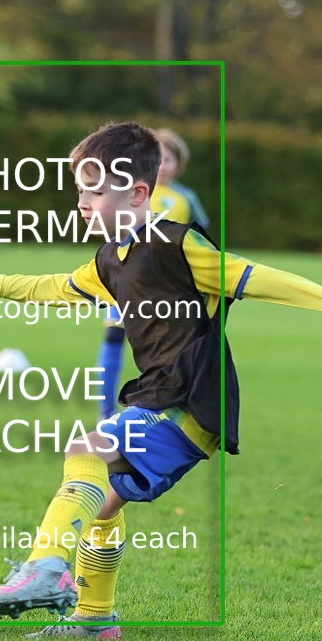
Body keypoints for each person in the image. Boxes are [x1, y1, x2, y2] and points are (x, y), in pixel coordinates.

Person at [0, 122, 322, 640]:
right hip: (159, 393)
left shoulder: (177, 246)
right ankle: (94, 620)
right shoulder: (111, 259)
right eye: (80, 190)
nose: (83, 202)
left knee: (86, 449)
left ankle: (45, 566)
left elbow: (259, 277)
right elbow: (55, 287)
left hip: (189, 398)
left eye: (95, 190)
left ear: (137, 193)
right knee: (104, 499)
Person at [94, 127, 209, 421]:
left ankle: (163, 409)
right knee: (113, 338)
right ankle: (105, 411)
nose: (162, 165)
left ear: (178, 163)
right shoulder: (127, 190)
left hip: (167, 288)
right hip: (124, 279)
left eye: (167, 159)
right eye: (156, 159)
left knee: (166, 346)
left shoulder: (185, 199)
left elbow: (201, 240)